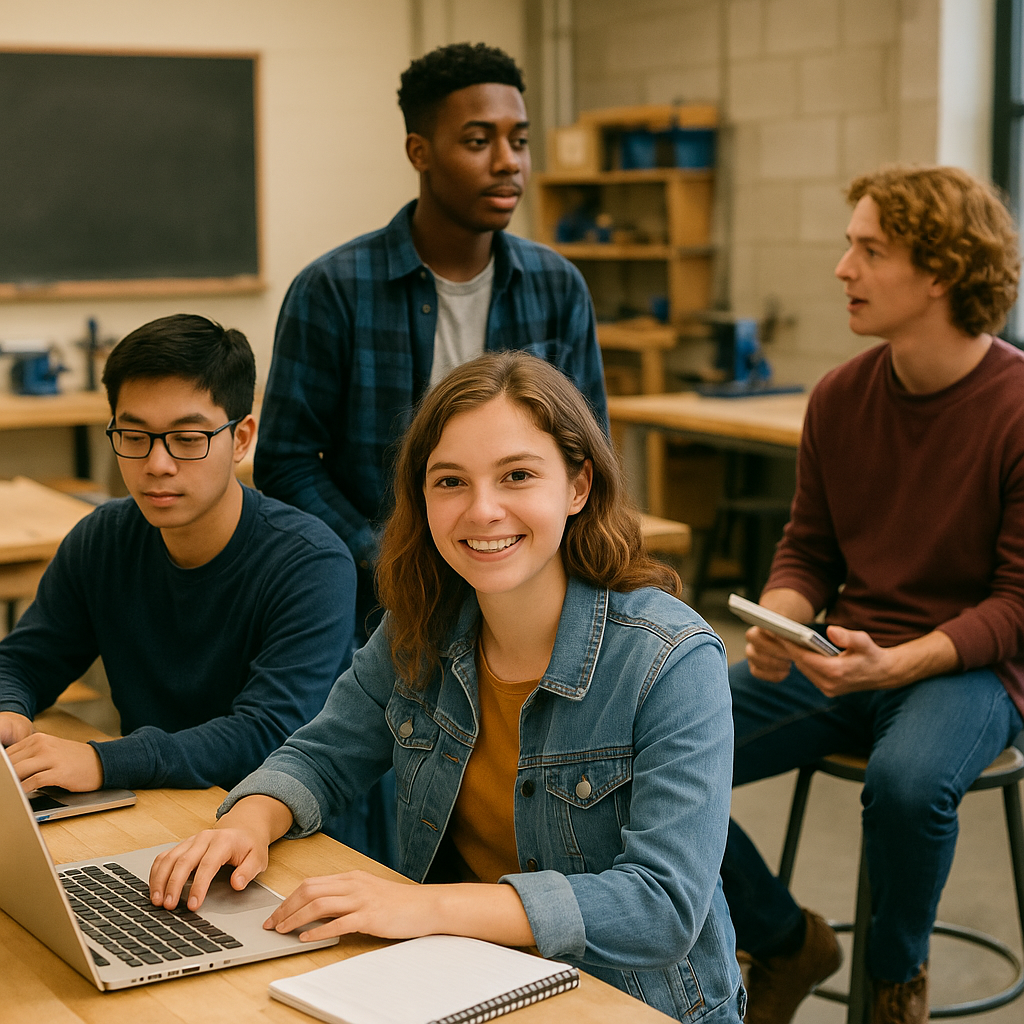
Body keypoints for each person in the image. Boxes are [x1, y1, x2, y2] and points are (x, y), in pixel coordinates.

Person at [148, 351, 743, 1024]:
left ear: (578, 485)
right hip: (463, 979)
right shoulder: (420, 625)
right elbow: (322, 756)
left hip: (632, 1004)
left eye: (517, 475)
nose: (483, 510)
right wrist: (249, 822)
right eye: (451, 482)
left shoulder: (672, 658)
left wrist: (422, 907)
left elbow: (661, 907)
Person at [719, 165, 1024, 1024]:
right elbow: (809, 548)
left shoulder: (1015, 407)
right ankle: (784, 941)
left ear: (941, 273)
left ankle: (894, 985)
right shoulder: (840, 397)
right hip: (845, 652)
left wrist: (896, 665)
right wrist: (782, 617)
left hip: (971, 669)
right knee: (646, 743)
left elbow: (1015, 605)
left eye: (870, 250)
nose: (842, 268)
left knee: (907, 784)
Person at [253, 41, 608, 639]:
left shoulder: (557, 286)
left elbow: (589, 450)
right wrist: (393, 559)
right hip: (380, 609)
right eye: (478, 141)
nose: (508, 163)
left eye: (519, 140)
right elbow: (287, 464)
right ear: (420, 152)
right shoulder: (333, 290)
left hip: (529, 597)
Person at [0, 314, 357, 794]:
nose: (157, 464)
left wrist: (104, 761)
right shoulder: (103, 539)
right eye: (134, 437)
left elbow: (268, 733)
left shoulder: (312, 565)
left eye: (188, 439)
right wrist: (9, 711)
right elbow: (23, 662)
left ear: (241, 439)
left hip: (287, 820)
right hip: (157, 804)